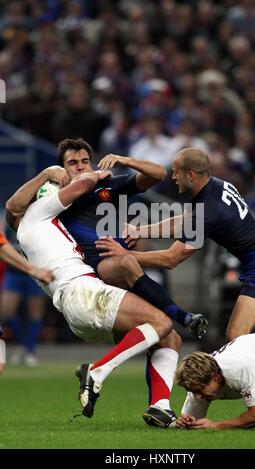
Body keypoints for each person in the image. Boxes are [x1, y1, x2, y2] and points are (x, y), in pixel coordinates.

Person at [6, 139, 207, 427]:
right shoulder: (41, 212)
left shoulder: (40, 226)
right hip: (84, 289)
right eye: (71, 164)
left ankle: (160, 406)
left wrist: (132, 230)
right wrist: (61, 173)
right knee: (161, 321)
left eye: (84, 162)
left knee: (168, 337)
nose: (79, 167)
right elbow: (17, 204)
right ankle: (98, 371)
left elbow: (14, 208)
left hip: (78, 306)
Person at [95, 146, 255, 425]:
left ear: (190, 174)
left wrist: (125, 255)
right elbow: (186, 222)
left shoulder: (209, 209)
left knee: (238, 336)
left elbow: (171, 258)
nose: (172, 177)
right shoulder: (216, 188)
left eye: (176, 172)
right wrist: (141, 230)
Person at [174, 323, 255, 430]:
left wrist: (216, 425)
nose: (197, 396)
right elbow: (193, 422)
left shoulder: (237, 367)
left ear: (215, 377)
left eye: (199, 390)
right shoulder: (199, 382)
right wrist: (185, 423)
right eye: (192, 391)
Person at [0, 231, 53, 374]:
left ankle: (30, 351)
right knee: (6, 311)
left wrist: (35, 269)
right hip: (13, 272)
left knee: (35, 314)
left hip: (33, 271)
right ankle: (23, 344)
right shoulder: (5, 214)